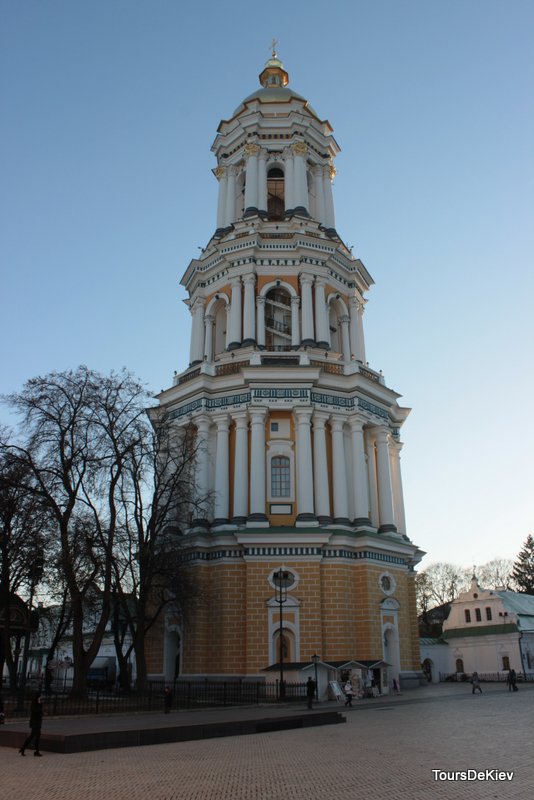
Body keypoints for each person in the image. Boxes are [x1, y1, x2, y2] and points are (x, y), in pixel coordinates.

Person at [19, 692, 44, 756]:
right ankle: (26, 748)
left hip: (38, 722)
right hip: (34, 723)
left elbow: (41, 712)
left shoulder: (39, 703)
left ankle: (26, 749)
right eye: (40, 696)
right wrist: (39, 705)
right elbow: (36, 711)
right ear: (37, 697)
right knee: (33, 736)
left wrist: (40, 704)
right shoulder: (34, 704)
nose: (41, 698)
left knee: (36, 736)